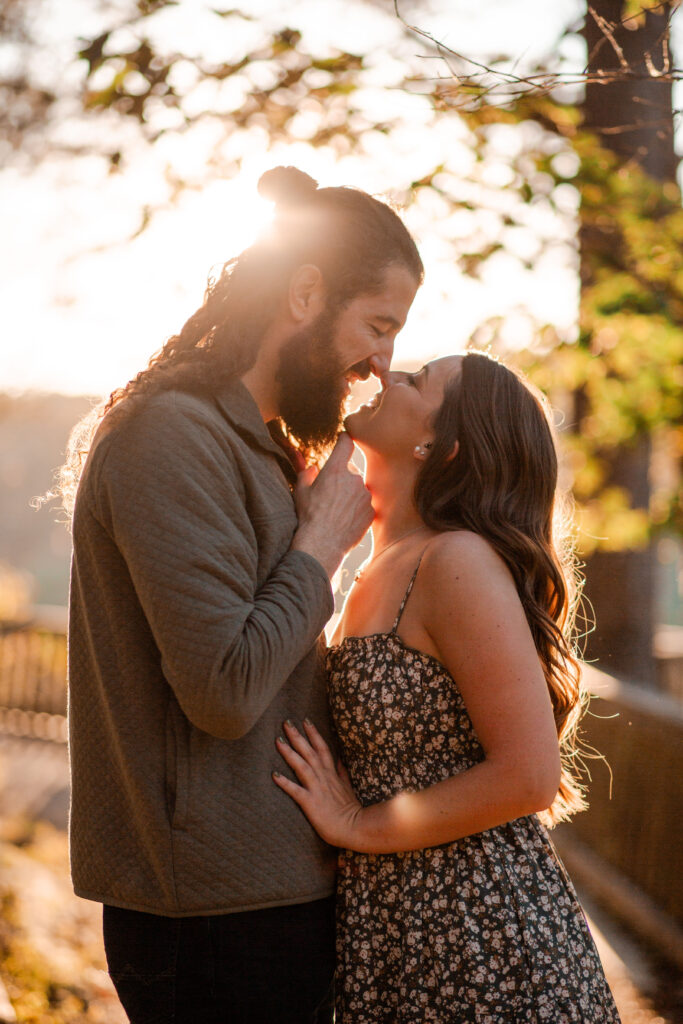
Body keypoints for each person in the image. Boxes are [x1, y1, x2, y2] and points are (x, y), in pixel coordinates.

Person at [64, 166, 422, 1023]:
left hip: (266, 894)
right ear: (305, 293)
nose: (381, 364)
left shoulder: (250, 441)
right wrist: (319, 545)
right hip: (211, 918)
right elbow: (222, 690)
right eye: (376, 326)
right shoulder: (170, 436)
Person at [274, 352, 622, 1023]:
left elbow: (528, 775)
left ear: (440, 443)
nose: (390, 374)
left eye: (416, 380)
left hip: (478, 932)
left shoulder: (454, 559)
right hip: (396, 925)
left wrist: (357, 825)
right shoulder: (382, 562)